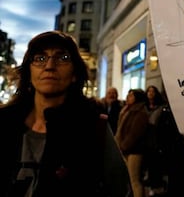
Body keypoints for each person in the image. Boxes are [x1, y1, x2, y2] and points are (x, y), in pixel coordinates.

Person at [0, 31, 131, 197]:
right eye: (40, 58)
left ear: (75, 74)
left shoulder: (93, 128)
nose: (49, 66)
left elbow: (120, 189)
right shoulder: (4, 122)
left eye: (62, 58)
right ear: (29, 72)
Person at [115, 88, 148, 197]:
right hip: (127, 149)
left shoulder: (140, 112)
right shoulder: (128, 110)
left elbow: (134, 134)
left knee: (135, 181)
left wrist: (123, 146)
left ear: (137, 98)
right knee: (129, 180)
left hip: (135, 150)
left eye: (131, 96)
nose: (128, 98)